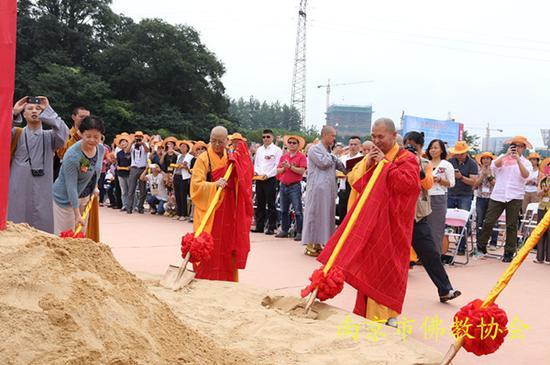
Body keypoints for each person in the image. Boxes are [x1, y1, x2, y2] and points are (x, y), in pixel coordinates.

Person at [318, 118, 420, 323]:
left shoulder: (406, 158)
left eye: (380, 136)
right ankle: (369, 314)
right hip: (373, 221)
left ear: (393, 136)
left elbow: (409, 186)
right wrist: (372, 163)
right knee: (370, 266)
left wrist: (384, 164)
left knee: (387, 268)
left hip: (392, 225)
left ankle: (387, 315)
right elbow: (357, 182)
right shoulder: (373, 157)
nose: (376, 140)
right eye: (373, 136)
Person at [404, 132, 461, 308]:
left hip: (418, 216)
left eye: (414, 146)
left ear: (421, 148)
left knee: (430, 253)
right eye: (407, 145)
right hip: (398, 216)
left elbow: (427, 184)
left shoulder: (426, 163)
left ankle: (445, 289)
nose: (410, 149)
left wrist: (416, 164)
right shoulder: (396, 162)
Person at [190, 126, 254, 281]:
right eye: (214, 141)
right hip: (211, 208)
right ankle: (204, 277)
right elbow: (196, 185)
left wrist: (238, 165)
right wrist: (214, 185)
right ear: (209, 140)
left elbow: (244, 177)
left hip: (228, 207)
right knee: (208, 243)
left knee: (226, 245)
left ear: (227, 141)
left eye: (220, 142)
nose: (217, 145)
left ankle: (227, 279)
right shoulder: (203, 158)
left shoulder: (231, 158)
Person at [9, 96, 70, 233]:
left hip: (42, 183)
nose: (34, 111)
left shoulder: (50, 137)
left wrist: (48, 109)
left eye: (38, 109)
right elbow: (2, 132)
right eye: (29, 109)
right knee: (16, 219)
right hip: (18, 184)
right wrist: (13, 112)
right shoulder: (15, 133)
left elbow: (64, 133)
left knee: (42, 218)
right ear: (24, 114)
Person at [477, 136, 531, 262]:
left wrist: (518, 160)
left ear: (523, 148)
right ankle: (482, 245)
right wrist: (507, 155)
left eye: (519, 146)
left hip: (515, 196)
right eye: (514, 145)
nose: (516, 148)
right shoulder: (503, 157)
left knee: (511, 225)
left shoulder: (526, 162)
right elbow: (494, 166)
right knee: (489, 221)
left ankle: (509, 252)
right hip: (498, 195)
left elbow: (526, 176)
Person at [52, 116, 105, 238]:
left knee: (80, 235)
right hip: (65, 199)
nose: (92, 140)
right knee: (65, 236)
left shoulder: (100, 149)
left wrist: (95, 187)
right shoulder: (72, 156)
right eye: (88, 136)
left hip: (85, 196)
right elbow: (71, 186)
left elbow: (94, 171)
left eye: (96, 137)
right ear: (80, 133)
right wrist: (77, 214)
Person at [302, 126, 345, 257]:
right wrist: (334, 156)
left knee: (326, 215)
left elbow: (340, 166)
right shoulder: (314, 149)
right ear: (325, 135)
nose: (334, 138)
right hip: (317, 188)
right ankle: (311, 243)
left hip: (329, 188)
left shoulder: (328, 151)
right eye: (332, 136)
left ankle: (321, 242)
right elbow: (324, 163)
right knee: (315, 214)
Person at [447, 141, 478, 255]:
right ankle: (444, 245)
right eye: (457, 153)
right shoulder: (450, 162)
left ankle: (461, 246)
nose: (459, 155)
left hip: (465, 195)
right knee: (445, 220)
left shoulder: (472, 164)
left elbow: (473, 182)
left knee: (463, 221)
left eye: (461, 153)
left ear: (466, 152)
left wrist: (461, 177)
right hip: (450, 193)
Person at [425, 139, 455, 254]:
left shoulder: (446, 165)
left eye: (436, 147)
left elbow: (452, 183)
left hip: (438, 197)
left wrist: (440, 180)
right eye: (431, 147)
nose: (433, 150)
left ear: (442, 150)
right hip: (424, 197)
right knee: (424, 229)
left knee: (436, 229)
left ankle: (435, 255)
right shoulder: (426, 163)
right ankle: (423, 255)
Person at [275, 135, 307, 241]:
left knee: (297, 210)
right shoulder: (284, 156)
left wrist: (290, 167)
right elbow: (278, 171)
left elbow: (302, 171)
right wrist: (284, 168)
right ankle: (284, 230)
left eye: (294, 143)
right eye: (290, 142)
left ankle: (299, 232)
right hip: (283, 184)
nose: (292, 144)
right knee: (284, 210)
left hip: (295, 185)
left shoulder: (301, 156)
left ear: (298, 145)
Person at [252, 129, 282, 235]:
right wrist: (257, 173)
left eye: (268, 137)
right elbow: (257, 164)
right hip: (260, 178)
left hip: (270, 179)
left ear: (272, 138)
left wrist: (268, 175)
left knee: (271, 204)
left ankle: (271, 226)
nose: (266, 139)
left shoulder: (277, 150)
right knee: (260, 203)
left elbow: (277, 166)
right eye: (264, 137)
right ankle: (259, 226)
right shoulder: (259, 149)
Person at [54, 106, 90, 179]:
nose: (84, 120)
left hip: (83, 173)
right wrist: (76, 136)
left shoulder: (91, 137)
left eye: (87, 118)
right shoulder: (66, 133)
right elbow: (62, 154)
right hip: (65, 172)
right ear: (74, 117)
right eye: (81, 117)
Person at [474, 152, 499, 249]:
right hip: (480, 198)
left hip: (493, 198)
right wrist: (482, 175)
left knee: (493, 220)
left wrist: (488, 175)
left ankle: (493, 242)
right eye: (484, 158)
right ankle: (479, 242)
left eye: (488, 158)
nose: (486, 160)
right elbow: (475, 185)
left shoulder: (495, 170)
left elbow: (496, 184)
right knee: (479, 220)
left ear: (491, 160)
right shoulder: (478, 170)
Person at [337, 136, 363, 224]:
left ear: (360, 146)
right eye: (351, 144)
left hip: (355, 188)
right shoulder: (343, 158)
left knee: (352, 211)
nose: (353, 146)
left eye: (355, 144)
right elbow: (336, 172)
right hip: (343, 187)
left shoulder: (363, 159)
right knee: (342, 210)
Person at [126, 131, 149, 214]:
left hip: (142, 168)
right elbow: (127, 151)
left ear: (142, 138)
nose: (138, 138)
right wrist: (132, 142)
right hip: (134, 168)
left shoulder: (145, 144)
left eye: (140, 137)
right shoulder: (132, 145)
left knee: (143, 189)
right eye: (137, 137)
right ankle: (129, 208)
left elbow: (147, 150)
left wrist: (142, 144)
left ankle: (140, 207)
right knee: (131, 189)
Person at [173, 141, 194, 221]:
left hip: (184, 177)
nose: (182, 148)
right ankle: (178, 213)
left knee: (183, 195)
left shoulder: (190, 157)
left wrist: (185, 167)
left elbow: (190, 168)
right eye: (181, 147)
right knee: (177, 195)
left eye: (184, 147)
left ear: (187, 148)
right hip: (177, 175)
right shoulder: (179, 156)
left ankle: (184, 214)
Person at [534, 159, 549, 263]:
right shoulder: (542, 180)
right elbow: (538, 193)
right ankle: (539, 257)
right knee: (540, 232)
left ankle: (549, 257)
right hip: (542, 207)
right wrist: (544, 191)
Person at [114, 134, 132, 212]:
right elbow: (117, 162)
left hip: (129, 173)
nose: (123, 143)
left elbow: (133, 161)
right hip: (121, 173)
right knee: (123, 190)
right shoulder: (119, 153)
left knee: (130, 190)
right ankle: (124, 205)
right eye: (121, 142)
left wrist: (130, 167)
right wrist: (117, 166)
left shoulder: (131, 152)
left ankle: (131, 205)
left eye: (125, 142)